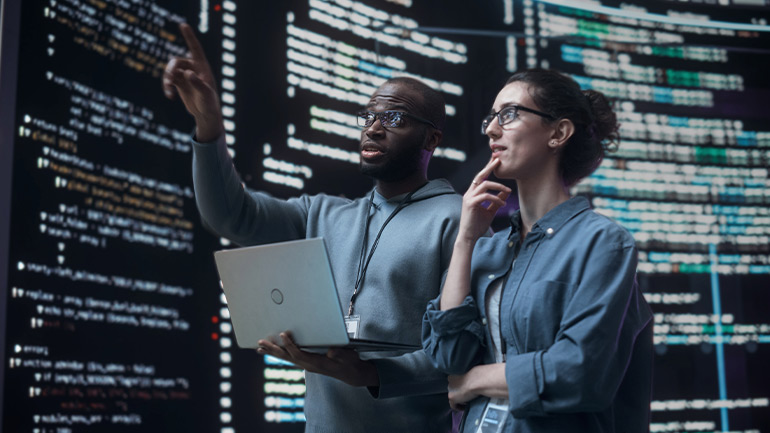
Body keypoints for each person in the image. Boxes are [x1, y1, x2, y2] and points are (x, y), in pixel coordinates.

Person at [163, 23, 461, 432]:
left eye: (393, 117)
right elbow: (229, 216)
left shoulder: (459, 219)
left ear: (431, 140)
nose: (373, 128)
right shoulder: (321, 214)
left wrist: (372, 373)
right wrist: (209, 125)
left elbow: (469, 354)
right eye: (368, 115)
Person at [422, 68, 653, 432]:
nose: (491, 129)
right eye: (490, 118)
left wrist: (475, 380)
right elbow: (450, 357)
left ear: (558, 133)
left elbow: (580, 372)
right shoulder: (488, 248)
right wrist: (466, 240)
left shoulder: (603, 242)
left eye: (509, 114)